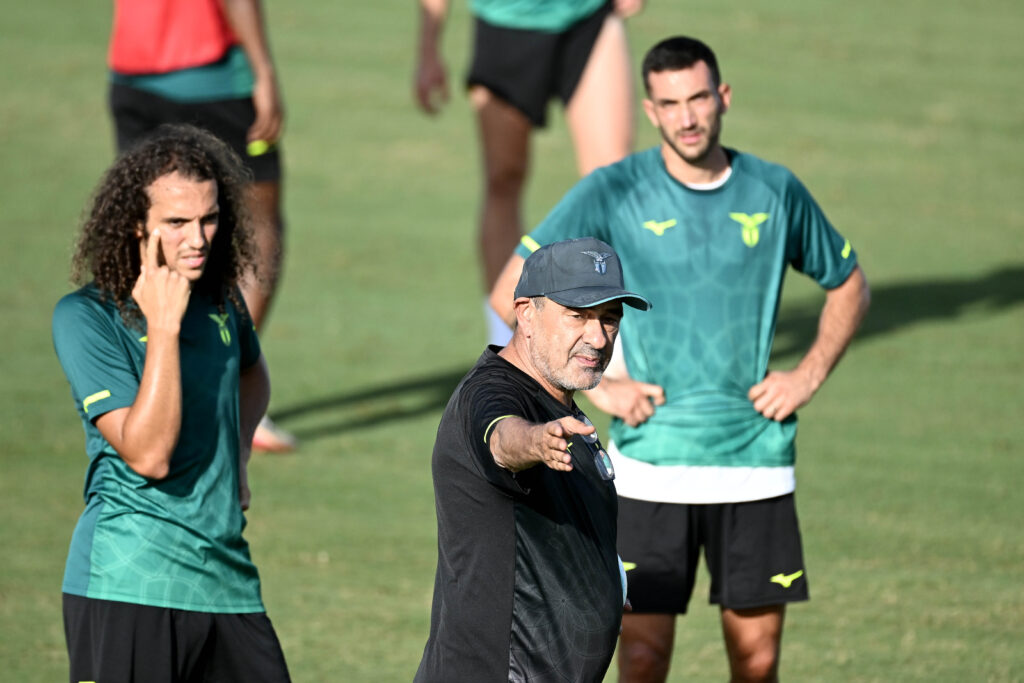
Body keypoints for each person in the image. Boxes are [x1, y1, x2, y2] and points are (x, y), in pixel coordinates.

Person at [489, 36, 872, 683]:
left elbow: (850, 285)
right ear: (650, 110)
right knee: (641, 660)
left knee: (757, 661)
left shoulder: (775, 190)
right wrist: (601, 385)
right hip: (649, 469)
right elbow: (513, 290)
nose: (687, 117)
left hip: (755, 463)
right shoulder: (613, 189)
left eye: (698, 98)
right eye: (669, 104)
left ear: (723, 97)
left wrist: (806, 375)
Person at [52, 125, 291, 683]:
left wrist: (238, 455)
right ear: (137, 223)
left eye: (209, 218)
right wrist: (163, 328)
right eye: (178, 222)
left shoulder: (222, 300)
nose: (198, 238)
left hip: (228, 582)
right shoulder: (87, 318)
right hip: (131, 582)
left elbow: (252, 373)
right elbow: (150, 455)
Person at [415, 238, 651, 682]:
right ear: (525, 313)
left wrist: (602, 580)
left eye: (610, 318)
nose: (598, 338)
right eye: (577, 316)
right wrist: (537, 441)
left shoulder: (558, 402)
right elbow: (503, 439)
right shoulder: (490, 394)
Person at [107, 0, 295, 451]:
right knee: (259, 226)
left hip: (131, 72)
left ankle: (153, 392)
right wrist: (264, 71)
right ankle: (230, 387)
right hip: (216, 79)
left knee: (149, 229)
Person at [414, 0, 644, 346]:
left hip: (588, 16)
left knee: (610, 181)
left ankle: (613, 334)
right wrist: (429, 47)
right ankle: (505, 340)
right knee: (503, 178)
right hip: (505, 22)